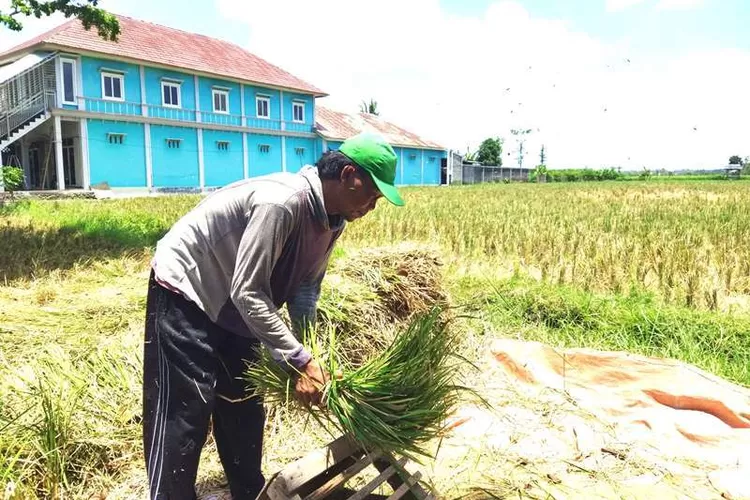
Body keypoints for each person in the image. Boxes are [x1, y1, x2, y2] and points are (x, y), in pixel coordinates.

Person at [142, 132, 404, 499]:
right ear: (348, 175)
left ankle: (250, 492)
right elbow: (247, 290)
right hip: (189, 289)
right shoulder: (282, 203)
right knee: (186, 410)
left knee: (244, 402)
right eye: (373, 194)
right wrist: (298, 360)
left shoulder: (332, 221)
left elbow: (305, 290)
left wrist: (307, 354)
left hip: (241, 305)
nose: (372, 206)